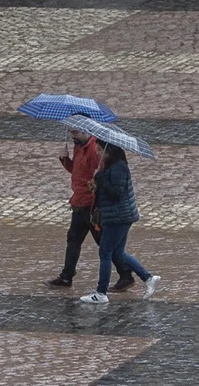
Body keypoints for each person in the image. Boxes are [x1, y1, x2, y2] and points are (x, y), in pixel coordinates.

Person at [46, 129, 135, 291]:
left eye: (75, 132)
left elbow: (102, 176)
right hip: (78, 202)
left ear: (85, 130)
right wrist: (65, 160)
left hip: (91, 205)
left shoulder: (95, 150)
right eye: (71, 131)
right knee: (73, 240)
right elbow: (77, 171)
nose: (72, 135)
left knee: (105, 244)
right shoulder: (78, 147)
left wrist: (96, 189)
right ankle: (66, 276)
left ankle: (126, 274)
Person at [78, 142, 159, 305]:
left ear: (109, 151)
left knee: (105, 253)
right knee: (118, 253)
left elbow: (117, 193)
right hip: (117, 216)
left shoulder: (119, 168)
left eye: (100, 150)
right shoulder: (108, 166)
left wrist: (101, 180)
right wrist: (96, 185)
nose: (97, 153)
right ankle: (148, 277)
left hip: (119, 217)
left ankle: (101, 293)